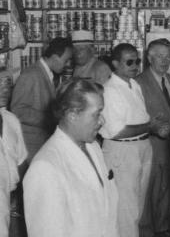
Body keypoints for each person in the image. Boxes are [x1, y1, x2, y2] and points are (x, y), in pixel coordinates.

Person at [23, 79, 119, 237]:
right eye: (96, 114)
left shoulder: (93, 147)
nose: (103, 121)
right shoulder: (45, 168)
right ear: (72, 115)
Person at [100, 43, 170, 237]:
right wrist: (151, 126)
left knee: (138, 208)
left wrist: (153, 125)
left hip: (142, 146)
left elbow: (141, 118)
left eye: (137, 61)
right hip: (122, 151)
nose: (134, 65)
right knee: (126, 211)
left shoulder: (134, 85)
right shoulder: (110, 90)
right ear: (115, 63)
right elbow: (117, 132)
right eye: (129, 62)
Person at [136, 38, 170, 237]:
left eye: (168, 56)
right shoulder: (138, 83)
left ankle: (163, 230)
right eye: (160, 56)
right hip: (150, 149)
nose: (165, 60)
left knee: (165, 195)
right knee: (149, 197)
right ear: (149, 57)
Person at [10, 37, 73, 161]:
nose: (68, 65)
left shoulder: (47, 73)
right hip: (30, 145)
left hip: (41, 142)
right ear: (55, 58)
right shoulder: (31, 74)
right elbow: (17, 110)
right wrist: (50, 118)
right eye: (66, 60)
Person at [0, 76, 27, 236]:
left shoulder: (11, 120)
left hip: (8, 198)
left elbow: (21, 160)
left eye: (7, 85)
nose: (5, 90)